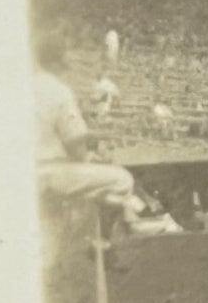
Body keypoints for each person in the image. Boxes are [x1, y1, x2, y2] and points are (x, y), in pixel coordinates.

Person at [33, 34, 143, 223]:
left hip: (25, 169)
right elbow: (76, 144)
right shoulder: (58, 90)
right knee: (123, 180)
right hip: (47, 172)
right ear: (61, 62)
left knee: (101, 187)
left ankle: (128, 215)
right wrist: (90, 156)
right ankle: (122, 229)